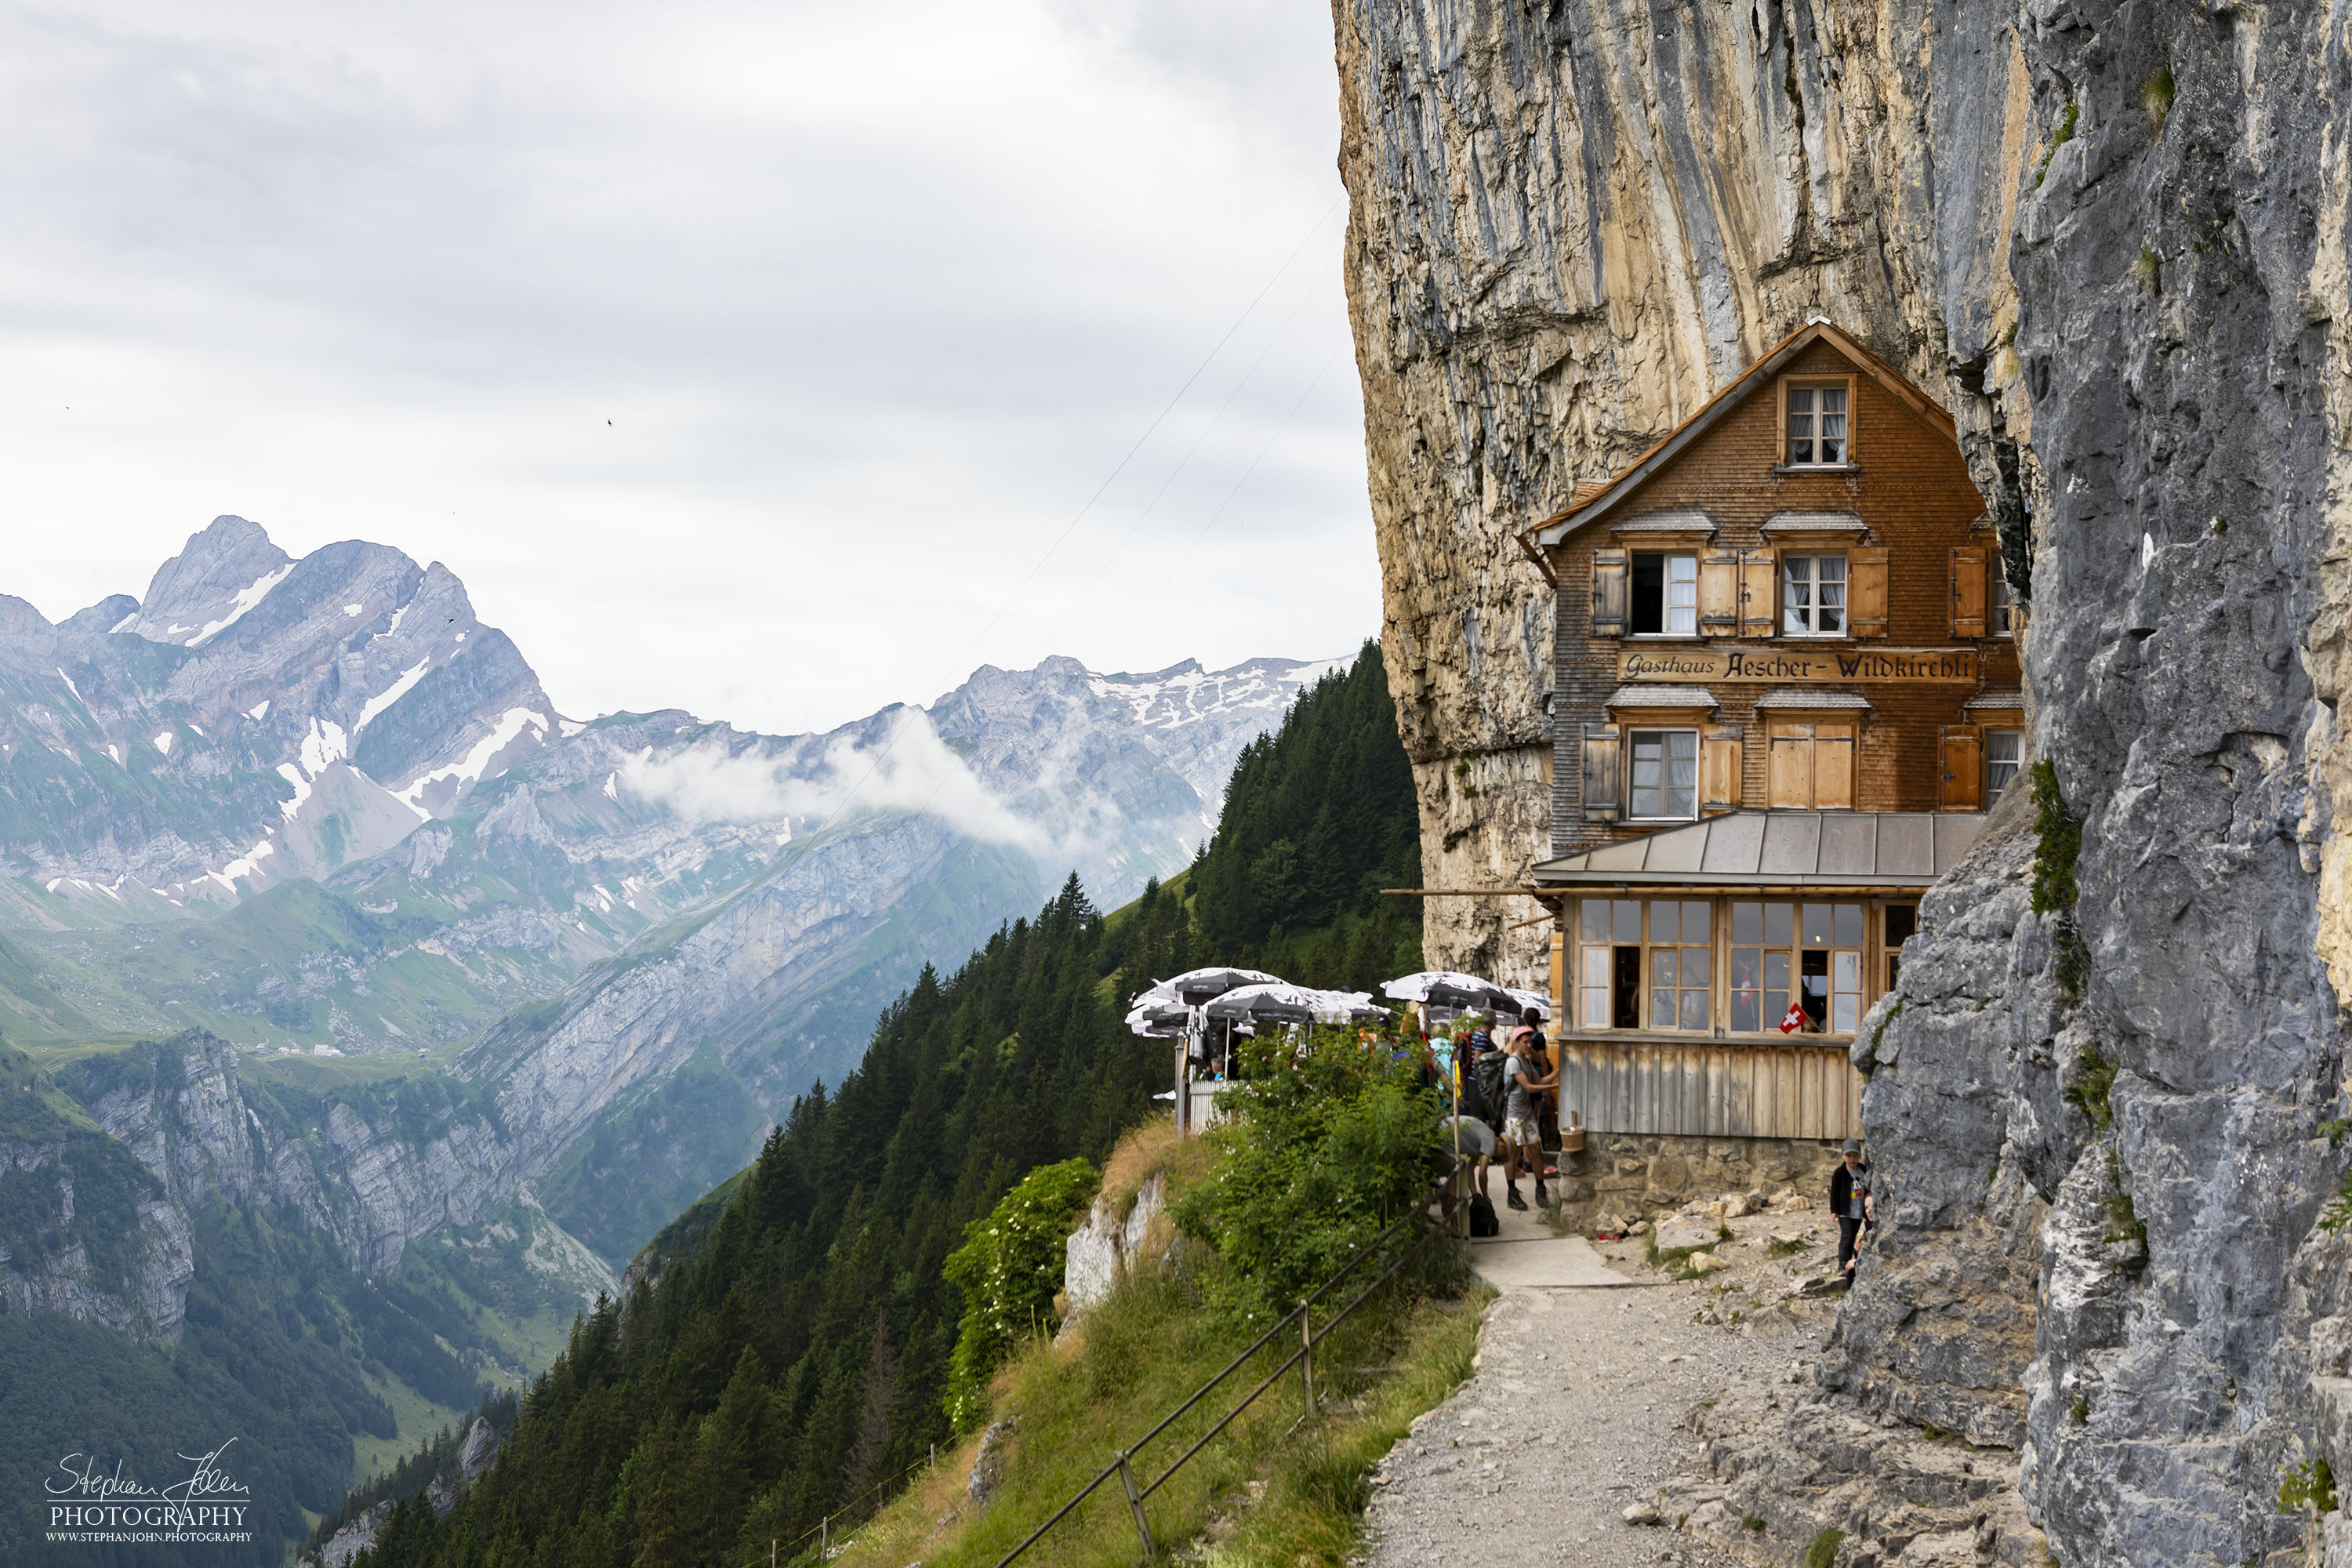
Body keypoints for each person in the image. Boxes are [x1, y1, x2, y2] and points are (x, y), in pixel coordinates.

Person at [1501, 1025, 1557, 1210]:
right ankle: (1512, 1193)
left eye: (1530, 1041)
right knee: (1513, 1153)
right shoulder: (1513, 1062)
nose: (1529, 1044)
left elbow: (1539, 1081)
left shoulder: (1526, 1061)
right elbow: (1529, 1087)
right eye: (1525, 1042)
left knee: (1536, 1150)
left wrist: (1557, 1073)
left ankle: (1540, 1190)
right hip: (1513, 1115)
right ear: (1516, 1042)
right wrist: (1556, 1086)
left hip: (1526, 1113)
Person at [1831, 1138, 1873, 1281]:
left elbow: (1868, 1188)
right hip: (1845, 1211)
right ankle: (1843, 1263)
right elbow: (1834, 1193)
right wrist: (1834, 1210)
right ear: (1843, 1156)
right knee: (1847, 1236)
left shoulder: (1863, 1170)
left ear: (1859, 1156)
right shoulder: (1840, 1173)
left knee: (1856, 1235)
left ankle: (1855, 1260)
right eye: (1849, 1156)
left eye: (1855, 1156)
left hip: (1859, 1210)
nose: (1852, 1159)